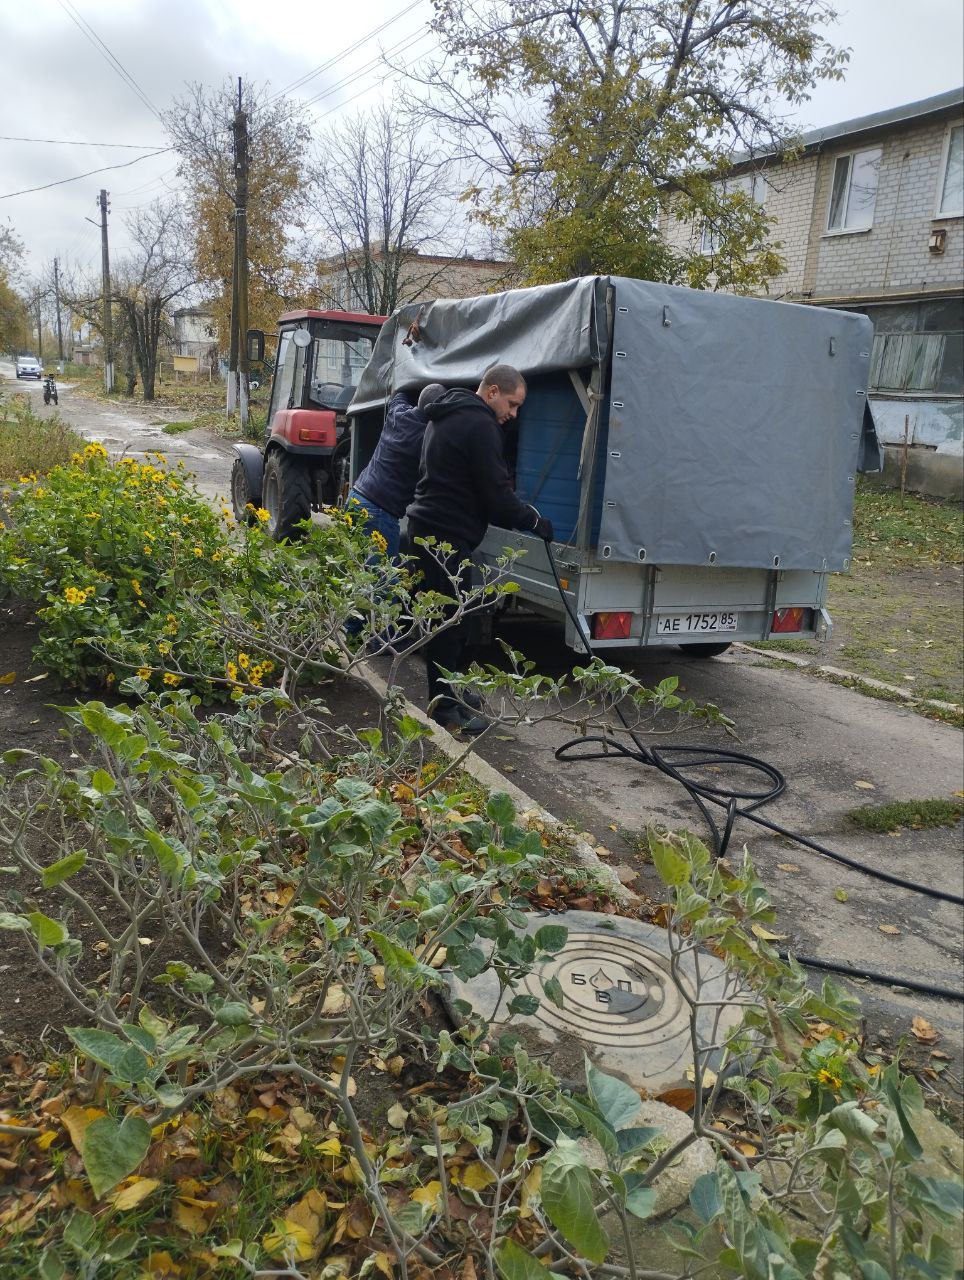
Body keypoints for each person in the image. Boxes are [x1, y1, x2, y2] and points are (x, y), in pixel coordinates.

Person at [405, 363, 553, 735]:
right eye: (512, 404)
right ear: (492, 392)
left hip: (429, 531)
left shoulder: (447, 413)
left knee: (454, 621)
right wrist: (534, 521)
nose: (513, 414)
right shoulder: (481, 424)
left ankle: (450, 692)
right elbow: (497, 496)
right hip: (444, 536)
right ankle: (443, 709)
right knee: (447, 625)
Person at [346, 382, 446, 558]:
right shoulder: (427, 439)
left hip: (356, 497)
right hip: (379, 512)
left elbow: (398, 392)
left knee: (355, 564)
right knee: (382, 574)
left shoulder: (397, 413)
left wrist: (414, 382)